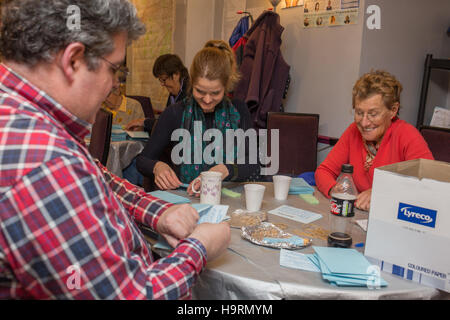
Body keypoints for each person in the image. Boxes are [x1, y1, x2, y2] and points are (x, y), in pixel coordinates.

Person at [0, 0, 230, 299]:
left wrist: (158, 213)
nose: (113, 86)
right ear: (74, 61)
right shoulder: (46, 162)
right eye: (115, 71)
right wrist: (198, 246)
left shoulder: (27, 118)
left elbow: (98, 177)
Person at [136, 40, 260, 192]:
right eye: (200, 91)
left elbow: (254, 164)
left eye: (215, 93)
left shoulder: (239, 110)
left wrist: (225, 169)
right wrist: (157, 166)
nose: (207, 100)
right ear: (191, 82)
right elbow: (143, 160)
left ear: (226, 86)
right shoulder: (175, 113)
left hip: (230, 198)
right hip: (187, 198)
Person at [315, 70, 434, 211]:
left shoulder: (408, 135)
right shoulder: (353, 131)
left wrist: (382, 192)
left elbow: (429, 185)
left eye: (373, 114)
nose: (364, 123)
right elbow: (324, 171)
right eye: (359, 113)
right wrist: (335, 190)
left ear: (393, 110)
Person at [125, 54, 189, 132]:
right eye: (160, 80)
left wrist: (144, 122)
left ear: (176, 75)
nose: (162, 84)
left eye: (163, 80)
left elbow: (172, 123)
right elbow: (166, 120)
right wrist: (144, 127)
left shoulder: (189, 93)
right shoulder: (174, 91)